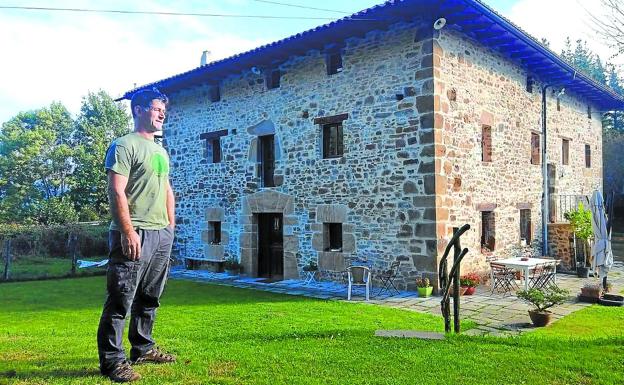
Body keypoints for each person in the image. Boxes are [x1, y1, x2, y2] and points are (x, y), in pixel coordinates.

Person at [97, 88, 176, 383]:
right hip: (134, 232)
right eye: (157, 108)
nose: (162, 113)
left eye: (163, 110)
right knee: (121, 299)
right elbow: (116, 190)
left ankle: (142, 348)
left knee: (150, 297)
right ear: (139, 110)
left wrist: (170, 225)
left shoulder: (160, 150)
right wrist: (128, 231)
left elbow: (166, 188)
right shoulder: (123, 146)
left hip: (160, 232)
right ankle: (112, 362)